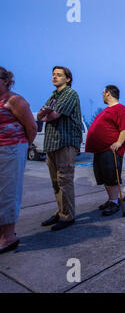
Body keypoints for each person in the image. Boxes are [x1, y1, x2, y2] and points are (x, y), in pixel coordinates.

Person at [38, 66, 82, 231]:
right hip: (51, 143)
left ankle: (68, 216)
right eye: (53, 75)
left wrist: (46, 113)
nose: (54, 77)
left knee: (64, 180)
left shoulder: (70, 94)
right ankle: (61, 211)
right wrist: (45, 113)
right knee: (55, 182)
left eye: (58, 75)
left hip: (65, 142)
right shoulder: (53, 96)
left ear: (68, 79)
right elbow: (39, 116)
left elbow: (53, 115)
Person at [0, 67, 37, 253]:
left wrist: (23, 147)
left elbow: (32, 127)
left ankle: (8, 236)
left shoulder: (15, 101)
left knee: (8, 191)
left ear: (5, 81)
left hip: (11, 149)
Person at [85, 85, 125, 216]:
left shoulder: (120, 108)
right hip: (100, 150)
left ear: (108, 93)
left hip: (111, 149)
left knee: (111, 176)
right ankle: (111, 199)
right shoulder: (106, 110)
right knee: (104, 176)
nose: (102, 95)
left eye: (103, 92)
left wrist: (118, 142)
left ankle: (114, 202)